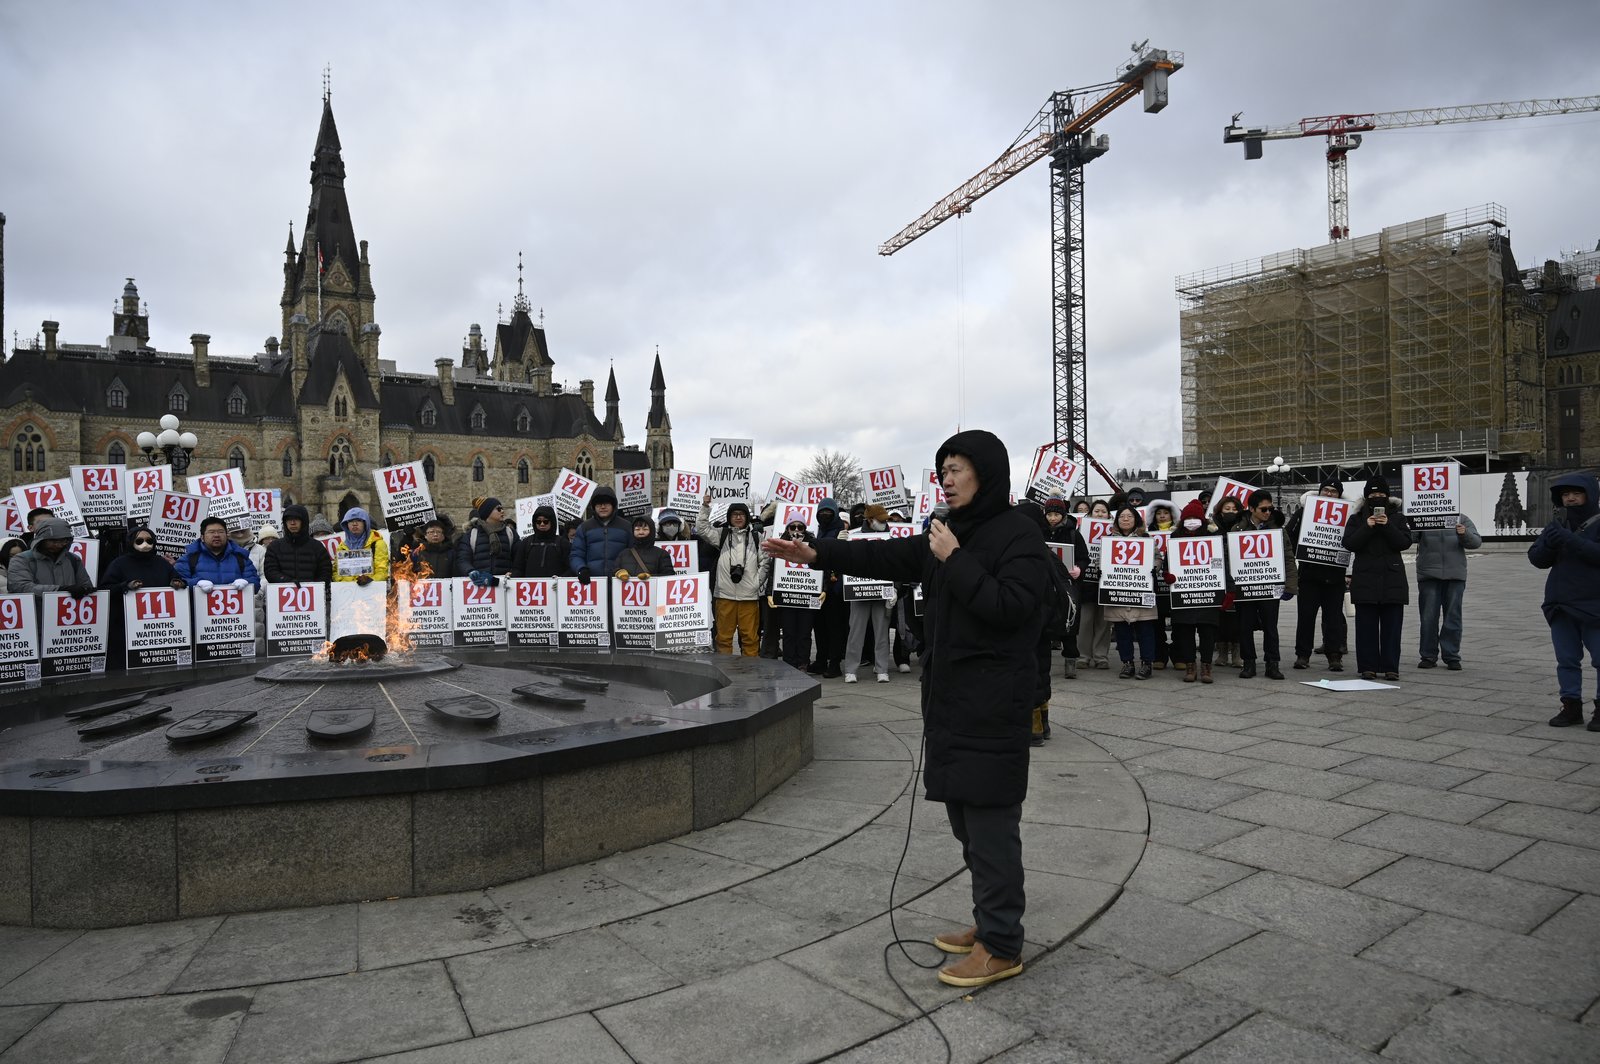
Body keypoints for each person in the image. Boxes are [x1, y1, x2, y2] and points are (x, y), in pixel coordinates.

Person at [765, 429, 1047, 988]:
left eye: (958, 468)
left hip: (993, 704)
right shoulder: (949, 531)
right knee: (967, 823)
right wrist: (818, 551)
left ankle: (1002, 946)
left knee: (991, 828)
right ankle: (989, 921)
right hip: (952, 703)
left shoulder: (1018, 535)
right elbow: (886, 553)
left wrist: (957, 560)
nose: (946, 477)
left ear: (986, 474)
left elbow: (1013, 608)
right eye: (942, 468)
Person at [1530, 473, 1600, 730]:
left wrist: (1570, 540)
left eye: (1576, 493)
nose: (1570, 498)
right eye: (1565, 494)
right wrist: (1549, 542)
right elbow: (1537, 559)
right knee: (1567, 660)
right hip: (1560, 604)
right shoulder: (1557, 523)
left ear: (1590, 495)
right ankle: (1571, 706)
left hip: (1594, 604)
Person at [1342, 477, 1412, 680]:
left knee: (1392, 628)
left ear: (1388, 497)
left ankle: (1391, 667)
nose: (1377, 499)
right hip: (1365, 579)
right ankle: (1368, 666)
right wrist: (1367, 526)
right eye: (1372, 496)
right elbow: (1350, 543)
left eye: (1381, 496)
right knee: (1366, 628)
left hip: (1392, 579)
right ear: (1366, 498)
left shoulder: (1397, 518)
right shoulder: (1356, 519)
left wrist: (1388, 525)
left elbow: (1404, 543)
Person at [1286, 478, 1350, 671]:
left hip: (1335, 575)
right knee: (1305, 618)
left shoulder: (1347, 514)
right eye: (1326, 490)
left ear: (1339, 495)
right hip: (1309, 575)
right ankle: (1302, 655)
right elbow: (1289, 536)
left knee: (1333, 619)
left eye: (1334, 491)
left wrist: (1350, 572)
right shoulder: (1304, 511)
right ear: (1320, 492)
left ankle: (1334, 656)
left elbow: (1352, 543)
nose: (1329, 494)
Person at [1232, 489, 1297, 680]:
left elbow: (1288, 557)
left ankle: (1272, 664)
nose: (1268, 512)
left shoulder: (1277, 529)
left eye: (1270, 509)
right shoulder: (1238, 530)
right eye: (1263, 509)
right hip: (1246, 586)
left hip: (1270, 585)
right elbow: (1231, 558)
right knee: (1245, 626)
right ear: (1251, 509)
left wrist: (1290, 586)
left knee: (1271, 626)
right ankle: (1249, 663)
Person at [698, 499, 769, 655]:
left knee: (750, 638)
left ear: (747, 517)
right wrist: (705, 507)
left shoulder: (757, 538)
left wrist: (756, 583)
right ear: (729, 517)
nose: (738, 517)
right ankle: (726, 672)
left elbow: (765, 563)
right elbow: (702, 528)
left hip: (749, 597)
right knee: (723, 639)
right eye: (735, 514)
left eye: (742, 514)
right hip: (724, 595)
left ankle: (750, 672)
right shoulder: (721, 535)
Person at [1413, 509, 1481, 670]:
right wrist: (1414, 525)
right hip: (1429, 574)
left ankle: (1451, 656)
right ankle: (1428, 655)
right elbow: (1408, 539)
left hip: (1455, 575)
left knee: (1453, 617)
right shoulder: (1423, 517)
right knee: (1428, 617)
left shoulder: (1461, 518)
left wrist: (1464, 534)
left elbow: (1476, 542)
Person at [1103, 506, 1159, 679]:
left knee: (1145, 630)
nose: (1125, 519)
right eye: (1122, 517)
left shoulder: (1146, 539)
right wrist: (1101, 570)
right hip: (1118, 592)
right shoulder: (1108, 540)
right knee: (1122, 632)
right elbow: (1101, 560)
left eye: (1129, 516)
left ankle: (1146, 664)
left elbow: (1158, 557)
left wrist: (1154, 568)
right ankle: (1127, 663)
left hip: (1141, 590)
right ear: (1117, 520)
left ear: (1136, 520)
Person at [842, 503, 894, 683]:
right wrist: (841, 543)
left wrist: (895, 587)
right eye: (881, 520)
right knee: (856, 631)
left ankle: (882, 668)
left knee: (882, 632)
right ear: (870, 520)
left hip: (882, 591)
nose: (884, 523)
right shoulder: (854, 537)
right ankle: (851, 669)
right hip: (859, 590)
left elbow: (897, 562)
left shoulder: (889, 537)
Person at [1169, 500, 1220, 683]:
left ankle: (1206, 667)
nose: (1191, 521)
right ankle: (1190, 666)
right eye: (1188, 518)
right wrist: (1170, 575)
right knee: (1185, 633)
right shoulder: (1175, 538)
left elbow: (1221, 563)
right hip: (1184, 594)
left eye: (1195, 518)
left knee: (1207, 632)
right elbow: (1170, 563)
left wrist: (1226, 588)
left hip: (1207, 593)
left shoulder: (1213, 537)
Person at [1043, 499, 1087, 679]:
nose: (1053, 518)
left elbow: (1084, 557)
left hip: (1067, 586)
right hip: (1045, 585)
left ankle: (1070, 660)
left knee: (1069, 622)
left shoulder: (1074, 534)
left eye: (1056, 514)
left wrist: (1079, 569)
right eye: (1049, 514)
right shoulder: (1038, 532)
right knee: (1045, 624)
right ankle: (1043, 663)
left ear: (1063, 515)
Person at [769, 519, 821, 671]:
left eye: (800, 526)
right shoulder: (781, 544)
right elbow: (773, 571)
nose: (796, 529)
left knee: (805, 633)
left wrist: (822, 588)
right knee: (788, 632)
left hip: (808, 595)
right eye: (793, 526)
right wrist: (769, 593)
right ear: (788, 528)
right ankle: (789, 663)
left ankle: (803, 662)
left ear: (805, 528)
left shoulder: (813, 544)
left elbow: (821, 566)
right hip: (786, 595)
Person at [809, 498, 848, 677]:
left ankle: (834, 663)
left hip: (834, 589)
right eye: (821, 512)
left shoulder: (842, 531)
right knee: (820, 626)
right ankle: (821, 660)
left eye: (828, 512)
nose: (825, 515)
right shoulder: (817, 531)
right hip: (817, 588)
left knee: (835, 627)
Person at [7, 518, 93, 595]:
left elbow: (85, 584)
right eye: (53, 541)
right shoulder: (21, 560)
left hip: (65, 611)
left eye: (63, 540)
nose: (58, 545)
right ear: (41, 540)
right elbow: (20, 587)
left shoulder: (73, 559)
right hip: (36, 612)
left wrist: (85, 590)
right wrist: (58, 590)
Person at [175, 517, 261, 589]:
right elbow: (178, 582)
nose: (216, 535)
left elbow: (256, 584)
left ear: (227, 535)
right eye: (211, 532)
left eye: (220, 532)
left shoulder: (241, 557)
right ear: (202, 537)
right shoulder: (189, 558)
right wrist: (196, 583)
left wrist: (247, 582)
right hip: (199, 609)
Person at [571, 487, 631, 586]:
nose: (603, 507)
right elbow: (576, 554)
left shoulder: (626, 526)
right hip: (592, 584)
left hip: (621, 582)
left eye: (606, 503)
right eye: (599, 504)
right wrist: (581, 568)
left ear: (613, 505)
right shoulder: (584, 527)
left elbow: (632, 554)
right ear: (594, 506)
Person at [263, 504, 334, 586]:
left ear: (303, 521)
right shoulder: (275, 547)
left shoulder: (317, 547)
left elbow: (325, 572)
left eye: (296, 519)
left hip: (313, 594)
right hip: (282, 594)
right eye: (289, 520)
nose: (292, 523)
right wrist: (288, 582)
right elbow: (270, 571)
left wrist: (314, 587)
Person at [1211, 496, 1245, 667]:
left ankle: (1237, 653)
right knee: (1221, 615)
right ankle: (1222, 651)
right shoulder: (1212, 528)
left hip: (1240, 576)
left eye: (1234, 509)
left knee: (1238, 616)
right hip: (1219, 577)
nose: (1231, 512)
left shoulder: (1243, 527)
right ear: (1220, 510)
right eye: (1227, 509)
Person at [455, 498, 519, 584]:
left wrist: (513, 573)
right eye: (499, 509)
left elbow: (519, 559)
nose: (502, 511)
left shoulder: (510, 533)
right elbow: (463, 559)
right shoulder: (472, 534)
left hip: (505, 585)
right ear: (487, 512)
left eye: (502, 509)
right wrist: (470, 571)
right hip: (478, 585)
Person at [331, 507, 388, 586]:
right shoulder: (341, 547)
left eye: (358, 520)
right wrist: (342, 583)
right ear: (346, 525)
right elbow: (335, 572)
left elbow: (382, 571)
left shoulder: (377, 544)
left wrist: (370, 580)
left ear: (365, 523)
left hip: (371, 593)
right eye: (350, 521)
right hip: (347, 593)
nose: (354, 524)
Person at [510, 506, 570, 578]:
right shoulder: (526, 542)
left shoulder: (562, 543)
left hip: (555, 587)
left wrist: (561, 579)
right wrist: (512, 575)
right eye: (538, 521)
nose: (542, 524)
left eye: (545, 521)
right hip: (531, 587)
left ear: (552, 522)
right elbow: (518, 568)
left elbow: (570, 568)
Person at [612, 515, 677, 579]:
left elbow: (668, 576)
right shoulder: (624, 553)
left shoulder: (661, 554)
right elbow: (614, 571)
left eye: (645, 529)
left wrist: (650, 577)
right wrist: (619, 572)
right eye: (637, 529)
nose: (641, 532)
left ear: (651, 531)